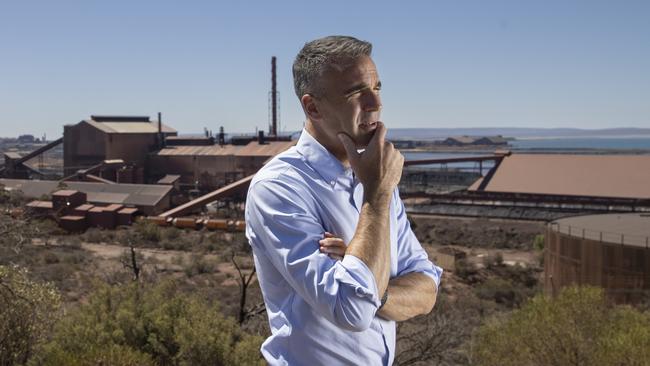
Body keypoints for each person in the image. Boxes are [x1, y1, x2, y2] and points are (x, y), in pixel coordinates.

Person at [245, 35, 442, 366]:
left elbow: (427, 288)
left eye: (377, 88)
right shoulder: (279, 188)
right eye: (355, 93)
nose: (375, 104)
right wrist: (377, 199)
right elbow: (352, 310)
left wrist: (367, 278)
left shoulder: (372, 177)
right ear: (313, 107)